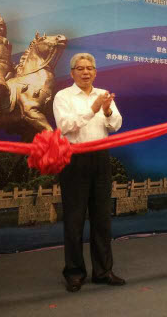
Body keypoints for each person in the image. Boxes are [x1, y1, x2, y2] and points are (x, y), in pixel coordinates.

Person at [53, 52, 124, 292]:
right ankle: (74, 273)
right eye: (80, 68)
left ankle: (103, 271)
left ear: (95, 72)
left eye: (90, 68)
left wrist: (106, 111)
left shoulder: (103, 94)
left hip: (101, 158)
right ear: (72, 73)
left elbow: (116, 125)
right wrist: (92, 110)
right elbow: (64, 126)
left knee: (102, 218)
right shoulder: (63, 96)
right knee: (74, 220)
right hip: (74, 159)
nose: (86, 72)